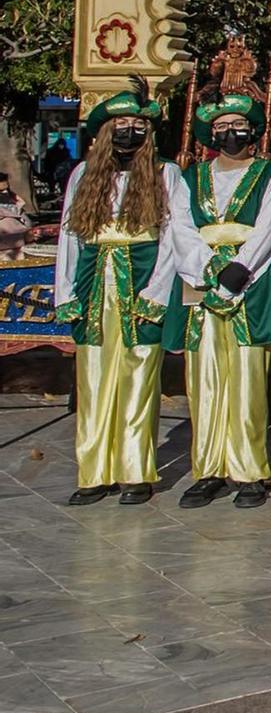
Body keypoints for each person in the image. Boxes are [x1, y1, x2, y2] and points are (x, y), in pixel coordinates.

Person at [54, 81, 196, 505]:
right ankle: (94, 471)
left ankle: (135, 471)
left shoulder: (164, 173)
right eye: (121, 124)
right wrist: (65, 292)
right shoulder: (82, 174)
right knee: (94, 378)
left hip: (141, 281)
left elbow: (174, 236)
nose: (129, 131)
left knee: (139, 376)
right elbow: (69, 237)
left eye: (137, 125)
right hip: (95, 283)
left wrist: (156, 293)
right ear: (105, 130)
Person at [170, 89, 271, 510]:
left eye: (237, 126)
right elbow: (181, 229)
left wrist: (235, 272)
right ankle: (208, 468)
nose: (230, 133)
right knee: (203, 377)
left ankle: (250, 468)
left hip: (250, 281)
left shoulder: (270, 174)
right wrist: (208, 270)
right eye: (221, 128)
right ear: (209, 134)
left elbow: (270, 228)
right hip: (200, 282)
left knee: (248, 375)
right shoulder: (191, 178)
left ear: (252, 130)